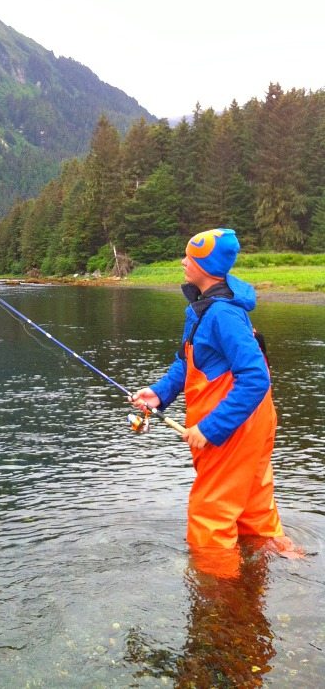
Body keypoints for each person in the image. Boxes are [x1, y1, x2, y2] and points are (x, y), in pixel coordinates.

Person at [132, 228, 301, 560]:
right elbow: (191, 361)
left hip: (234, 429)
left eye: (190, 258)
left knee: (210, 517)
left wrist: (210, 429)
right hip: (251, 423)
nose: (183, 262)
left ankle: (217, 601)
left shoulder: (223, 314)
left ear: (206, 267)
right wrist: (158, 394)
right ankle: (288, 575)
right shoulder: (206, 307)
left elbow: (254, 379)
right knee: (254, 512)